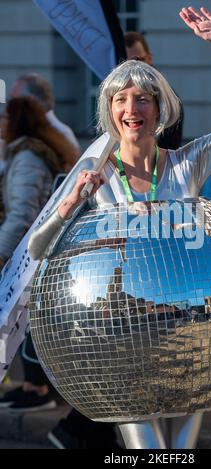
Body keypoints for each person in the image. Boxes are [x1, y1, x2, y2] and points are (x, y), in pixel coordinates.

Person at [27, 5, 211, 449]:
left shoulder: (186, 164)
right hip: (125, 343)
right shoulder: (95, 175)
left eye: (142, 97)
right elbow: (38, 250)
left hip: (190, 335)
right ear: (109, 110)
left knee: (179, 454)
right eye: (121, 99)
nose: (131, 108)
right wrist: (69, 205)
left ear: (159, 109)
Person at [0, 96, 71, 412]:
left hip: (30, 253)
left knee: (27, 323)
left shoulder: (28, 157)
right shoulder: (24, 152)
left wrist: (1, 253)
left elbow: (23, 213)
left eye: (3, 117)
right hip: (30, 251)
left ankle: (36, 387)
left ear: (15, 121)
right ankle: (30, 385)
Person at [125, 30, 184, 150]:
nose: (132, 67)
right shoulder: (111, 93)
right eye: (125, 62)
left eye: (137, 60)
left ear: (149, 59)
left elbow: (169, 148)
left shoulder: (167, 98)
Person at [10, 73, 80, 171]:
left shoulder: (61, 133)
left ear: (32, 100)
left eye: (15, 101)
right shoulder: (30, 130)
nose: (10, 107)